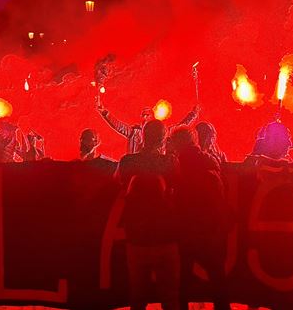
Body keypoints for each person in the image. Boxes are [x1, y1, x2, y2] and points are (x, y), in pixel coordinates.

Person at [115, 119, 181, 310]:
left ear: (143, 137)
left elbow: (115, 184)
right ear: (163, 140)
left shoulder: (128, 162)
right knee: (170, 298)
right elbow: (181, 187)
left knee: (137, 297)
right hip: (166, 238)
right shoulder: (170, 162)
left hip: (137, 238)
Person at [168, 126, 230, 310]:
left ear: (179, 143)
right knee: (218, 277)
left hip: (186, 227)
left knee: (183, 280)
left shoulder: (176, 162)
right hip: (209, 227)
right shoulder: (209, 159)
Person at [98, 103, 199, 154]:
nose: (145, 117)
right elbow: (119, 126)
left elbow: (181, 126)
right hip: (137, 168)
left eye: (148, 115)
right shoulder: (134, 132)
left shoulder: (162, 131)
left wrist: (193, 114)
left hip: (155, 168)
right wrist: (105, 113)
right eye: (143, 115)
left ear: (153, 116)